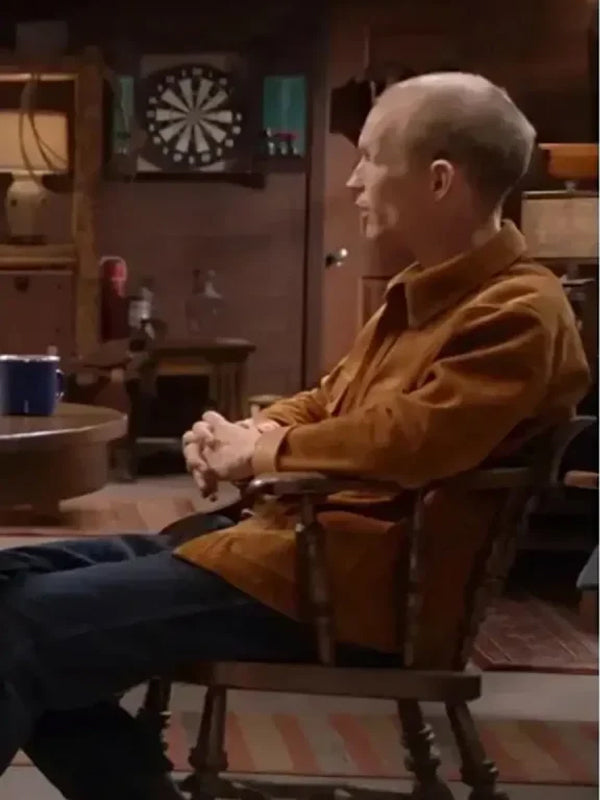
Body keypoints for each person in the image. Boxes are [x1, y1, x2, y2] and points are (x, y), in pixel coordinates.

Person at [0, 73, 589, 799]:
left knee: (23, 628)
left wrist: (263, 452)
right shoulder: (426, 289)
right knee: (10, 587)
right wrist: (253, 429)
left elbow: (413, 439)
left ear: (439, 180)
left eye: (370, 157)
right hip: (279, 550)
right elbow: (328, 400)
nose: (353, 180)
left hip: (344, 590)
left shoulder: (518, 311)